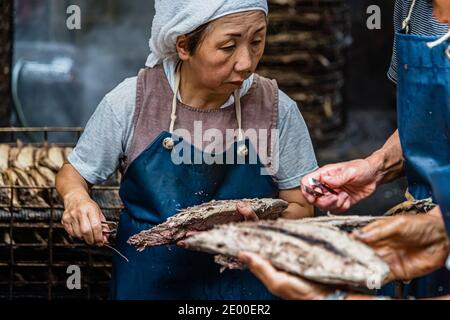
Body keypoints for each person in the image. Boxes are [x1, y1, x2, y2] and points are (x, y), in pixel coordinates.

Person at [55, 0, 318, 300]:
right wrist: (76, 199)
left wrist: (260, 233)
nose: (246, 62)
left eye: (257, 42)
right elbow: (74, 173)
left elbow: (301, 206)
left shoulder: (276, 109)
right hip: (149, 284)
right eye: (229, 46)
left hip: (246, 290)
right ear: (183, 46)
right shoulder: (133, 102)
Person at [298, 0, 450, 297]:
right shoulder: (410, 7)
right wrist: (376, 166)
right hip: (424, 231)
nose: (438, 17)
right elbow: (428, 118)